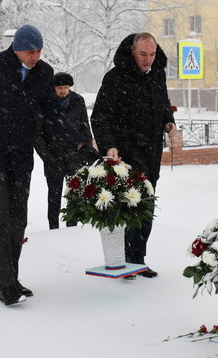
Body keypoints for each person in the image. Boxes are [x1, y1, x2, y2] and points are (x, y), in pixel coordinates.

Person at [0, 24, 91, 306]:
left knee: (18, 219)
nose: (35, 56)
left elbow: (52, 113)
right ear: (16, 47)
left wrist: (79, 142)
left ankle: (8, 278)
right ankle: (7, 286)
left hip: (20, 155)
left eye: (39, 51)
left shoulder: (44, 73)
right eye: (30, 51)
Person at [91, 32, 177, 278]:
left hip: (151, 154)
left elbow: (163, 105)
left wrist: (169, 123)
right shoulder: (115, 78)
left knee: (146, 208)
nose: (148, 60)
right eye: (143, 54)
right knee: (127, 207)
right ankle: (122, 260)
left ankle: (138, 259)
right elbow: (100, 115)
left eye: (151, 54)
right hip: (125, 155)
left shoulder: (157, 75)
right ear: (132, 51)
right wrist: (109, 146)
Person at [33, 72, 93, 229]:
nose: (63, 91)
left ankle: (72, 227)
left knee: (74, 194)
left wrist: (86, 150)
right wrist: (46, 156)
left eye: (66, 87)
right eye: (59, 88)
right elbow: (37, 134)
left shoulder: (78, 101)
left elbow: (84, 126)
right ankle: (53, 227)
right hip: (53, 156)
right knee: (54, 195)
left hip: (75, 156)